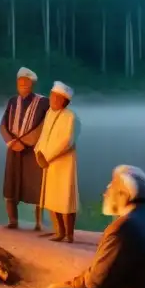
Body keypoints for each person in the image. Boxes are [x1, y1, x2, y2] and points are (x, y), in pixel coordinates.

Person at [0, 67, 48, 230]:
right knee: (11, 184)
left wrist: (25, 142)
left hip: (32, 150)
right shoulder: (12, 101)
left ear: (33, 83)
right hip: (13, 149)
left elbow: (43, 126)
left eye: (27, 83)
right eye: (20, 83)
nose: (24, 85)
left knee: (36, 185)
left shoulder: (43, 102)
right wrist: (11, 142)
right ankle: (13, 221)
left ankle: (39, 223)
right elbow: (4, 124)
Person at [35, 81, 82, 243]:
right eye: (52, 96)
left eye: (57, 98)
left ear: (65, 101)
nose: (52, 100)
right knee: (52, 199)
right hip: (48, 164)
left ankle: (69, 234)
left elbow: (67, 141)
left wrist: (47, 156)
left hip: (63, 165)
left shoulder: (71, 117)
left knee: (65, 200)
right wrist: (38, 152)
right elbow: (43, 136)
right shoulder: (49, 114)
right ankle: (59, 232)